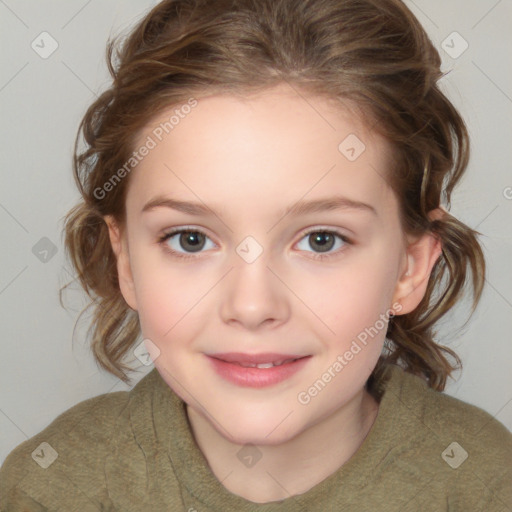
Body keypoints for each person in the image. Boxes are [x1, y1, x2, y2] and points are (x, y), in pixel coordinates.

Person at [1, 0, 511, 510]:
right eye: (191, 239)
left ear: (410, 266)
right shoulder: (49, 488)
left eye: (321, 240)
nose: (251, 305)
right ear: (126, 261)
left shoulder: (488, 487)